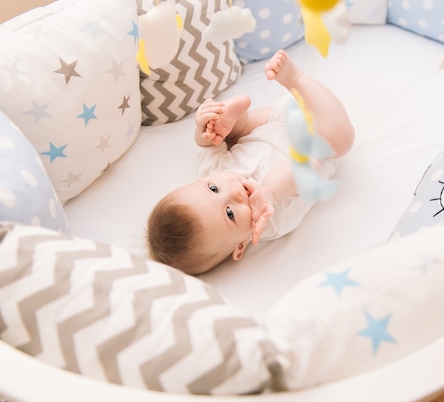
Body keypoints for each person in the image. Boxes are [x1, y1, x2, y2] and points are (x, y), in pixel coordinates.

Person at [147, 49, 354, 275]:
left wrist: (203, 127)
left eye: (213, 188)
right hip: (316, 139)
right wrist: (270, 192)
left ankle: (233, 117)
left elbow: (205, 147)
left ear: (202, 181)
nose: (233, 193)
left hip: (271, 122)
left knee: (226, 136)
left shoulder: (213, 171)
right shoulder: (271, 222)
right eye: (230, 214)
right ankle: (295, 79)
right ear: (240, 246)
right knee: (340, 141)